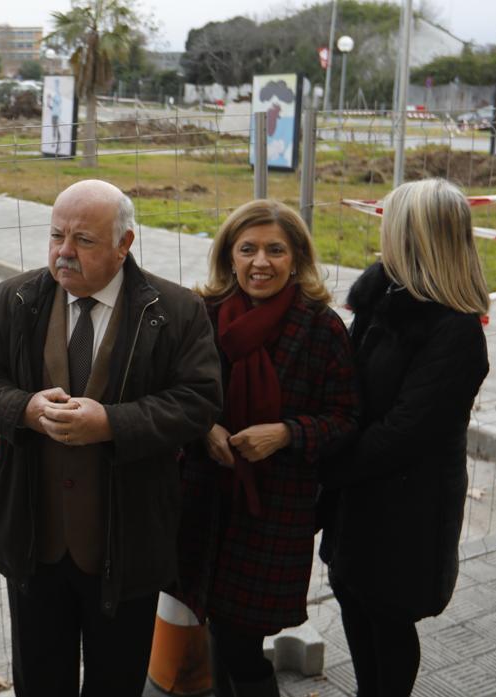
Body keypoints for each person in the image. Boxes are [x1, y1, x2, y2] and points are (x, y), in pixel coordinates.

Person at [0, 179, 223, 697]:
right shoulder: (16, 300)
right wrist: (25, 409)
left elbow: (198, 402)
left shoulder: (174, 311)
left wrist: (111, 424)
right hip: (33, 542)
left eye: (83, 240)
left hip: (127, 547)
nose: (64, 252)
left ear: (125, 244)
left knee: (116, 684)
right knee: (40, 683)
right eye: (57, 235)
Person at [178, 200, 359, 697]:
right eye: (248, 249)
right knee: (216, 627)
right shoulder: (202, 315)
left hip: (273, 511)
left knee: (241, 645)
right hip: (206, 502)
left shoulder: (321, 328)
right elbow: (174, 395)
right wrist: (205, 427)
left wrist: (285, 433)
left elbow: (346, 418)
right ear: (229, 257)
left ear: (297, 257)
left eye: (275, 250)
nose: (261, 262)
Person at [319, 178, 490, 697]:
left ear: (418, 235)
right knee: (349, 592)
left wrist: (329, 465)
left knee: (387, 615)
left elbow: (406, 433)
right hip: (359, 493)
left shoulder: (454, 329)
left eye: (390, 222)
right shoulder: (384, 295)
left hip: (408, 508)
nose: (381, 231)